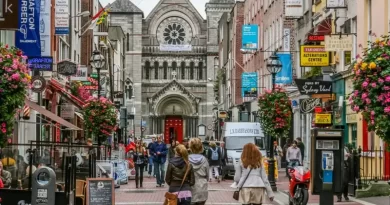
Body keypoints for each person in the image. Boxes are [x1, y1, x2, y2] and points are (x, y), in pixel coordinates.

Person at [189, 138, 209, 205]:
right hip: (202, 186)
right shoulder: (204, 160)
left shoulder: (187, 160)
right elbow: (207, 175)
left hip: (190, 186)